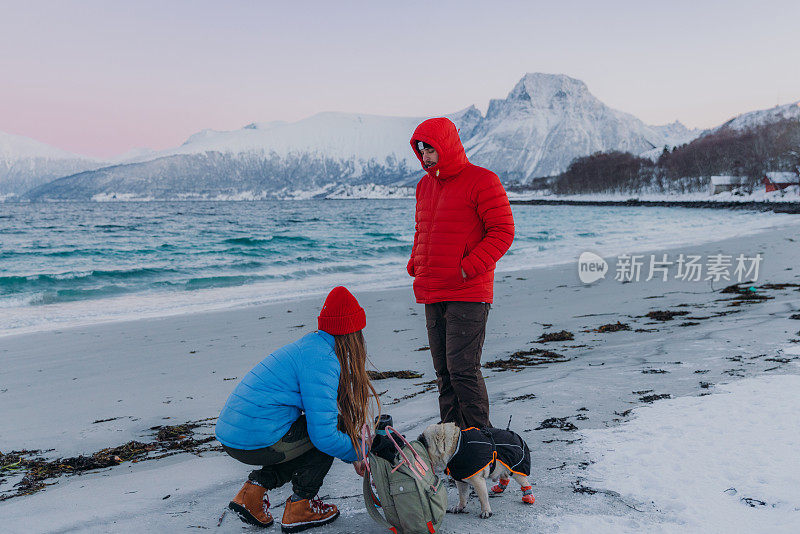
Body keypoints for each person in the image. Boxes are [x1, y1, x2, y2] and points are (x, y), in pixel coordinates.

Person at [215, 286, 378, 532]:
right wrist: (360, 451)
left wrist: (353, 449)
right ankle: (301, 506)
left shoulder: (311, 346)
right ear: (353, 333)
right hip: (257, 439)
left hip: (234, 437)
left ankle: (252, 493)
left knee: (320, 430)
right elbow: (324, 436)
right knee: (329, 431)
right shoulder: (322, 360)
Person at [407, 117, 514, 429]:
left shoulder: (483, 180)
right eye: (421, 150)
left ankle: (483, 441)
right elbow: (422, 229)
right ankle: (452, 444)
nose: (426, 156)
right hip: (433, 288)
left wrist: (468, 268)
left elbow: (502, 232)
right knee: (443, 372)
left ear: (447, 146)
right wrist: (417, 261)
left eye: (431, 149)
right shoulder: (424, 185)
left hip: (469, 292)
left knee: (462, 369)